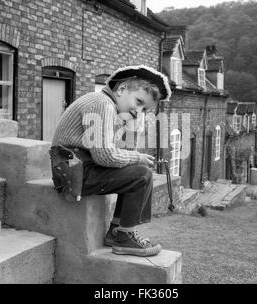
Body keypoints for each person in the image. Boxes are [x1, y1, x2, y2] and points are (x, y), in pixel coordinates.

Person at [51, 65, 171, 257]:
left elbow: (120, 153)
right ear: (122, 89)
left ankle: (117, 232)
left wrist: (133, 127)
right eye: (138, 101)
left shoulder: (111, 108)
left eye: (144, 109)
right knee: (142, 175)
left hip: (79, 169)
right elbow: (105, 156)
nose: (138, 111)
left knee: (135, 168)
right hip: (74, 173)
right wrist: (137, 157)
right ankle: (125, 237)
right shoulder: (101, 104)